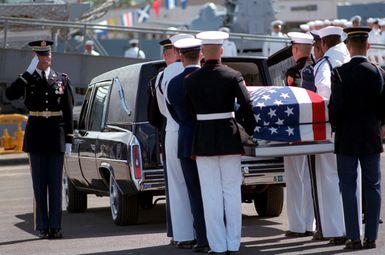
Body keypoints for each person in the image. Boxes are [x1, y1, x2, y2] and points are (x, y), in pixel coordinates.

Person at [185, 31, 256, 254]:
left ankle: (217, 245)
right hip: (229, 136)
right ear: (222, 51)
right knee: (232, 193)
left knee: (210, 194)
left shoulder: (191, 80)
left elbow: (188, 114)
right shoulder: (233, 75)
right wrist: (250, 131)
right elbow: (246, 106)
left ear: (203, 53)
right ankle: (233, 243)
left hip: (203, 139)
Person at [5, 40, 73, 239]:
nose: (46, 58)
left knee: (55, 184)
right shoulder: (27, 79)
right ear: (35, 58)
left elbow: (68, 111)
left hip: (56, 135)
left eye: (48, 54)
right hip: (36, 135)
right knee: (39, 184)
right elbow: (11, 94)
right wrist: (27, 74)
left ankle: (56, 226)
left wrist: (69, 139)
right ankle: (43, 226)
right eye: (41, 55)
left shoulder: (61, 79)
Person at [329, 26, 385, 250]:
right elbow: (383, 107)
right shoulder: (379, 72)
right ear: (368, 46)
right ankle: (371, 237)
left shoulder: (339, 73)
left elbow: (336, 108)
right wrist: (378, 125)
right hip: (371, 135)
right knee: (373, 186)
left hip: (346, 137)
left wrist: (337, 126)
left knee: (348, 187)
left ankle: (353, 236)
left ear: (348, 47)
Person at [166, 37, 209, 253]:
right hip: (209, 140)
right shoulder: (210, 78)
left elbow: (174, 113)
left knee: (194, 192)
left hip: (185, 140)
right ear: (201, 54)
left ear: (180, 56)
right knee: (213, 191)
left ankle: (202, 238)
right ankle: (218, 236)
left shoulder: (172, 84)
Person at [156, 33, 196, 248]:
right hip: (196, 130)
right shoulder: (197, 70)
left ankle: (182, 234)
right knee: (199, 184)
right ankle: (202, 231)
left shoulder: (163, 75)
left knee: (177, 185)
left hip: (172, 130)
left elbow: (163, 110)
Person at [313, 26, 352, 243]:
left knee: (329, 178)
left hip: (332, 129)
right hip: (356, 129)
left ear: (324, 44)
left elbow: (324, 94)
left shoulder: (325, 64)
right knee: (352, 181)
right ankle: (354, 229)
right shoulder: (350, 58)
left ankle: (335, 230)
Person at [283, 32, 315, 238]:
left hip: (295, 130)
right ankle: (312, 223)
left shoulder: (293, 71)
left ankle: (297, 226)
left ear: (295, 50)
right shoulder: (318, 68)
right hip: (315, 130)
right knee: (312, 178)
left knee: (296, 178)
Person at [147, 38, 177, 243]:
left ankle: (177, 232)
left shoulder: (156, 80)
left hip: (168, 133)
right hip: (182, 133)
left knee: (174, 187)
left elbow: (153, 116)